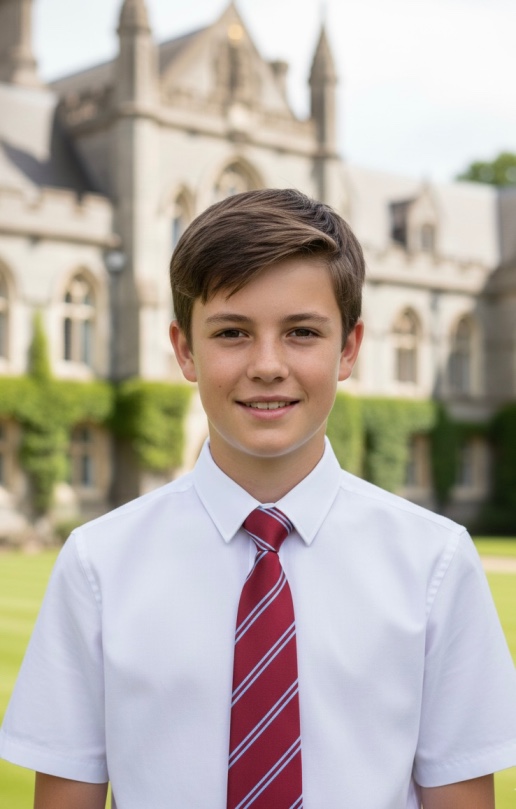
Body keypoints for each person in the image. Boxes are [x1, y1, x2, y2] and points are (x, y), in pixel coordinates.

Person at [1, 188, 516, 809]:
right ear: (185, 350)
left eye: (301, 332)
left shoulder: (435, 562)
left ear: (349, 349)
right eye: (232, 332)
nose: (268, 365)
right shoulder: (98, 565)